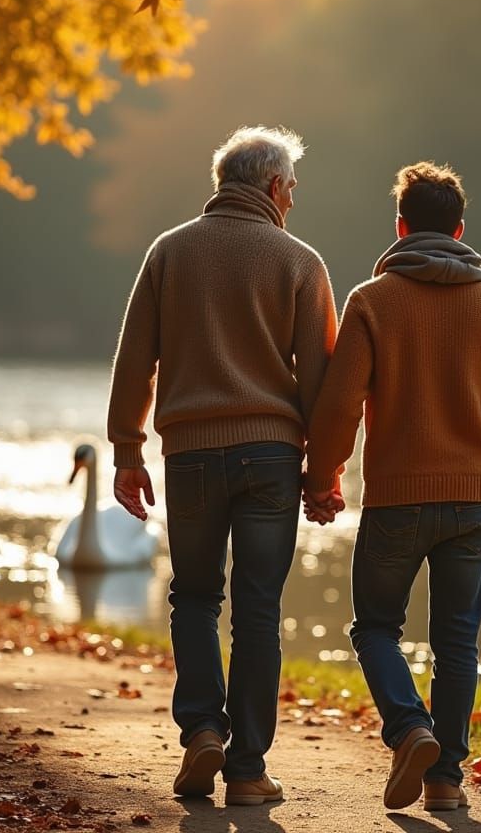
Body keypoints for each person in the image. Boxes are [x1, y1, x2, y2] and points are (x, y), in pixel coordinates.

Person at [107, 126, 337, 805]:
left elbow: (134, 361)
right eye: (291, 188)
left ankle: (204, 729)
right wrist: (322, 475)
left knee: (195, 596)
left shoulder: (169, 253)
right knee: (258, 610)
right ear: (273, 187)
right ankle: (247, 772)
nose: (292, 201)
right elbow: (321, 385)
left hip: (191, 456)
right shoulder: (300, 262)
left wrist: (127, 449)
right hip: (271, 454)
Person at [303, 162, 481, 812]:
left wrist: (323, 479)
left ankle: (410, 729)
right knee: (457, 639)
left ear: (400, 226)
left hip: (397, 498)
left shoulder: (372, 301)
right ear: (460, 229)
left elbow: (340, 406)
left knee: (375, 626)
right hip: (470, 499)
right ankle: (446, 783)